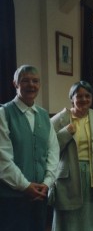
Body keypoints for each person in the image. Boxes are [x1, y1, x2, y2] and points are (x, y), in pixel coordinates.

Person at [0, 65, 60, 231]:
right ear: (15, 84)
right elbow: (2, 159)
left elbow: (53, 152)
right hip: (11, 198)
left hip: (40, 196)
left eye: (35, 81)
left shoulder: (44, 116)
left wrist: (47, 183)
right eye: (25, 80)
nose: (31, 85)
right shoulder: (3, 114)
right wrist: (25, 186)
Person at [50, 81, 93, 231]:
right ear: (71, 98)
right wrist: (66, 133)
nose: (84, 99)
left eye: (87, 95)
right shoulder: (59, 119)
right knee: (67, 222)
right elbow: (49, 150)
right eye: (79, 96)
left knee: (90, 221)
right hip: (67, 177)